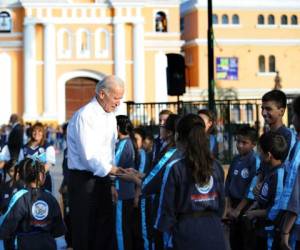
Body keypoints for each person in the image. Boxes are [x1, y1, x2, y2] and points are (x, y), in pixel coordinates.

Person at [67, 75, 126, 250]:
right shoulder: (86, 115)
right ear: (102, 94)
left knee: (104, 230)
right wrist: (115, 170)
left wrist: (112, 182)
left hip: (103, 179)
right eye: (116, 98)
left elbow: (109, 151)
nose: (118, 103)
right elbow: (89, 156)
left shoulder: (110, 116)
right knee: (85, 231)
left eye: (120, 98)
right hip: (84, 181)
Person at [155, 114, 226, 250]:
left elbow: (166, 211)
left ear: (178, 137)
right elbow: (221, 204)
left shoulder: (175, 167)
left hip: (186, 234)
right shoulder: (216, 166)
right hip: (214, 233)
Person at [0, 158, 66, 250]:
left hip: (24, 245)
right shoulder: (50, 197)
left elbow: (7, 227)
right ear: (42, 176)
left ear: (24, 176)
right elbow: (58, 230)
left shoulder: (19, 197)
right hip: (48, 245)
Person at [245, 132, 288, 250]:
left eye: (260, 151)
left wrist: (254, 213)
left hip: (271, 233)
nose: (258, 154)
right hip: (262, 230)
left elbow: (276, 208)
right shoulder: (270, 171)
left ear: (268, 155)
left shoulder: (279, 174)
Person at [224, 126, 259, 250]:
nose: (239, 145)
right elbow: (228, 182)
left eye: (244, 142)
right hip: (233, 206)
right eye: (238, 141)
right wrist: (228, 207)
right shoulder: (235, 159)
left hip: (245, 207)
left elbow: (252, 187)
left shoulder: (254, 160)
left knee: (247, 240)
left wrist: (239, 209)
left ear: (253, 144)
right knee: (234, 240)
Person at [275, 95, 300, 249]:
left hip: (295, 226)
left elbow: (296, 194)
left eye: (296, 114)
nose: (293, 119)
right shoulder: (296, 144)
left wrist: (285, 231)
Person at [113, 115, 139, 250]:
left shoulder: (124, 144)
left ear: (117, 128)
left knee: (121, 231)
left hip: (122, 192)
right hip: (127, 191)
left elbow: (114, 167)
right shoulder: (130, 142)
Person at [21, 122, 55, 192]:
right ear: (31, 132)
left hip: (43, 181)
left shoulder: (48, 146)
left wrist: (37, 177)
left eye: (40, 131)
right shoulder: (25, 147)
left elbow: (49, 163)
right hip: (27, 181)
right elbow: (21, 163)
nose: (36, 133)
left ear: (43, 133)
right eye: (34, 131)